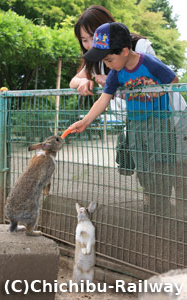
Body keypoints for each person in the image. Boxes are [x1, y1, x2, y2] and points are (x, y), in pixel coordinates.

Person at [69, 22, 179, 216]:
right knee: (143, 167)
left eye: (109, 59)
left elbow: (173, 80)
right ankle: (153, 204)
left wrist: (157, 90)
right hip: (135, 122)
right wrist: (85, 121)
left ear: (126, 51)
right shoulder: (115, 73)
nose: (107, 64)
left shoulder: (148, 63)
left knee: (161, 165)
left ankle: (162, 207)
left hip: (159, 121)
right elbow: (103, 99)